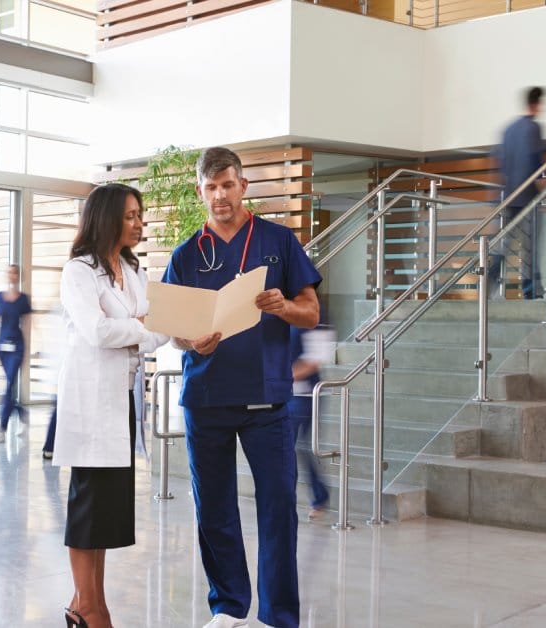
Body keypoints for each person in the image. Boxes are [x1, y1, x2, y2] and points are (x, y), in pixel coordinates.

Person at [162, 147, 320, 628]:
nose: (220, 196)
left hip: (266, 398)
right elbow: (173, 330)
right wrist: (194, 342)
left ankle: (277, 617)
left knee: (277, 510)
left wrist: (281, 307)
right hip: (206, 398)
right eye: (210, 188)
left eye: (227, 185)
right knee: (214, 511)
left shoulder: (278, 241)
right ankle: (228, 608)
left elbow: (310, 311)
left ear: (243, 186)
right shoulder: (186, 254)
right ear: (200, 191)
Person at [52, 183, 168, 628]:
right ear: (106, 218)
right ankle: (89, 605)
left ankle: (87, 602)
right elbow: (96, 332)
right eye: (130, 216)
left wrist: (148, 327)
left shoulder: (130, 268)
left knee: (106, 510)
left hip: (122, 400)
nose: (139, 223)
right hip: (91, 400)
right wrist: (140, 326)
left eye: (140, 215)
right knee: (88, 503)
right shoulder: (78, 271)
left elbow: (153, 329)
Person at [490, 86, 546, 300]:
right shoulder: (533, 128)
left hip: (509, 196)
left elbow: (501, 162)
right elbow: (535, 160)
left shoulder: (509, 129)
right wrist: (543, 182)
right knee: (531, 247)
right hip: (528, 197)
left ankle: (491, 283)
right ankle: (531, 291)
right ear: (537, 104)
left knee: (505, 245)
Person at [0, 264, 33, 443]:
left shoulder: (24, 299)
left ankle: (1, 429)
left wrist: (27, 351)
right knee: (9, 389)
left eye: (15, 273)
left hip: (17, 348)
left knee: (9, 386)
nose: (11, 275)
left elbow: (27, 326)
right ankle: (23, 414)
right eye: (9, 272)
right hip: (2, 347)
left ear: (19, 277)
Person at [287, 320, 335, 521]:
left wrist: (282, 376)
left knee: (295, 447)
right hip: (286, 394)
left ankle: (316, 495)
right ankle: (317, 495)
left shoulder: (317, 319)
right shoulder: (284, 315)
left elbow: (314, 360)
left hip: (306, 395)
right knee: (292, 448)